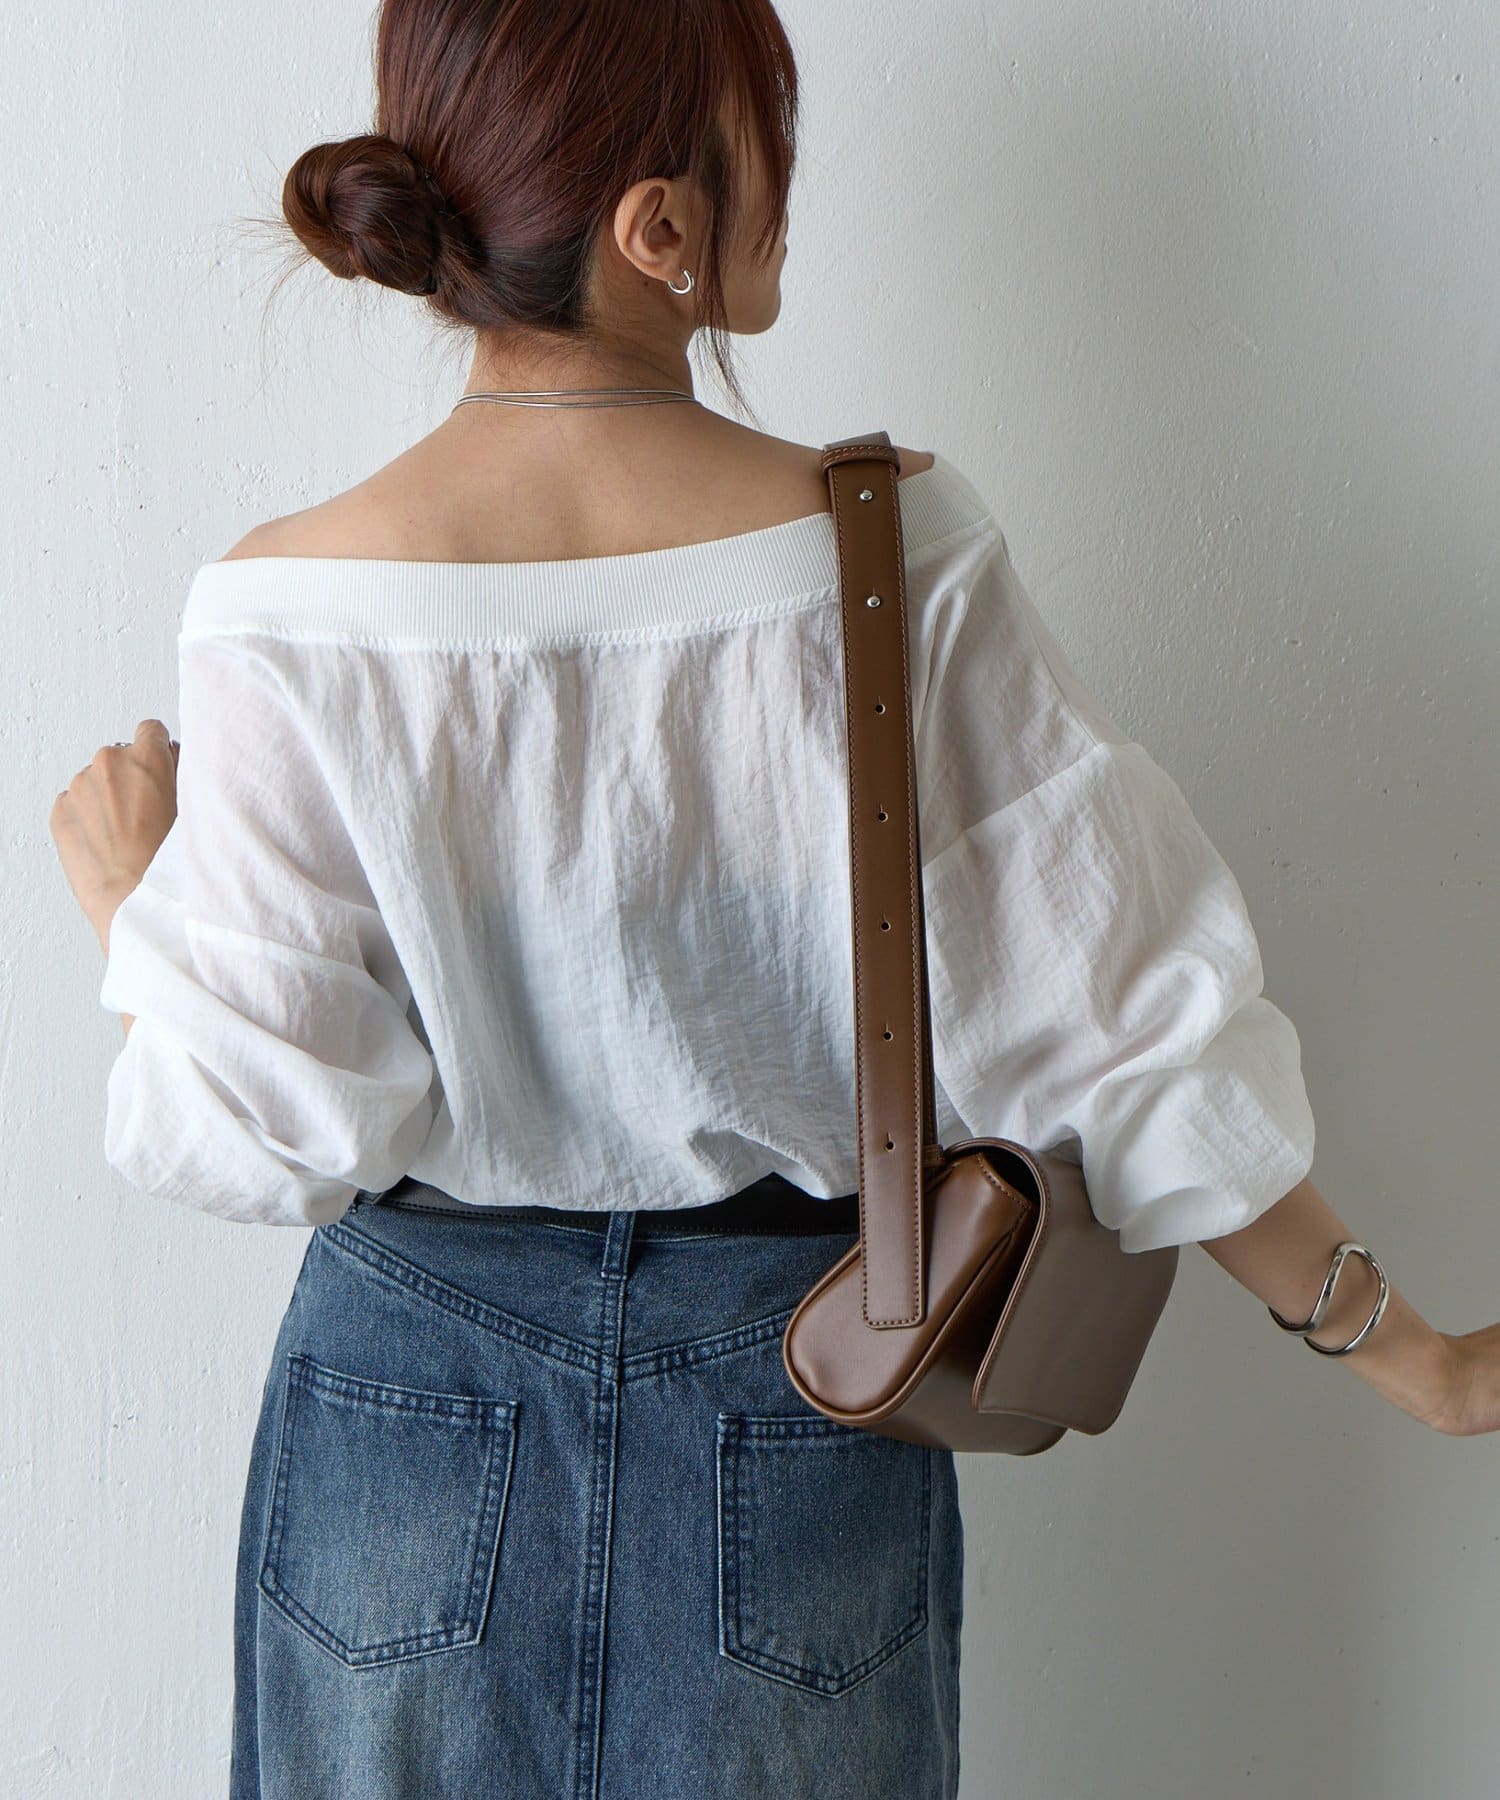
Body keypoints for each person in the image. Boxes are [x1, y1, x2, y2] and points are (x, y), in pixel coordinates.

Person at [45, 1, 1500, 1796]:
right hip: (803, 1380)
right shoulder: (887, 554)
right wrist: (1415, 1359)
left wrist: (134, 917)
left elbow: (258, 1121)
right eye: (769, 140)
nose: (791, 188)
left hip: (399, 1405)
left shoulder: (283, 608)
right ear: (661, 226)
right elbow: (1132, 1034)